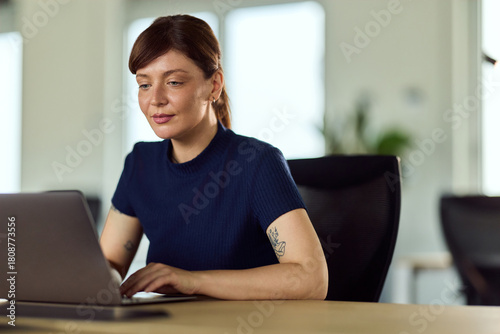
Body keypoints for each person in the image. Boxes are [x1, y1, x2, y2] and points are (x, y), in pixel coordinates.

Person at [99, 14, 328, 300]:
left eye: (173, 82)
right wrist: (99, 280)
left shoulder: (257, 162)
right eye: (144, 84)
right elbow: (107, 264)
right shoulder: (140, 163)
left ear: (214, 85)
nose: (155, 98)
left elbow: (311, 279)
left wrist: (191, 281)